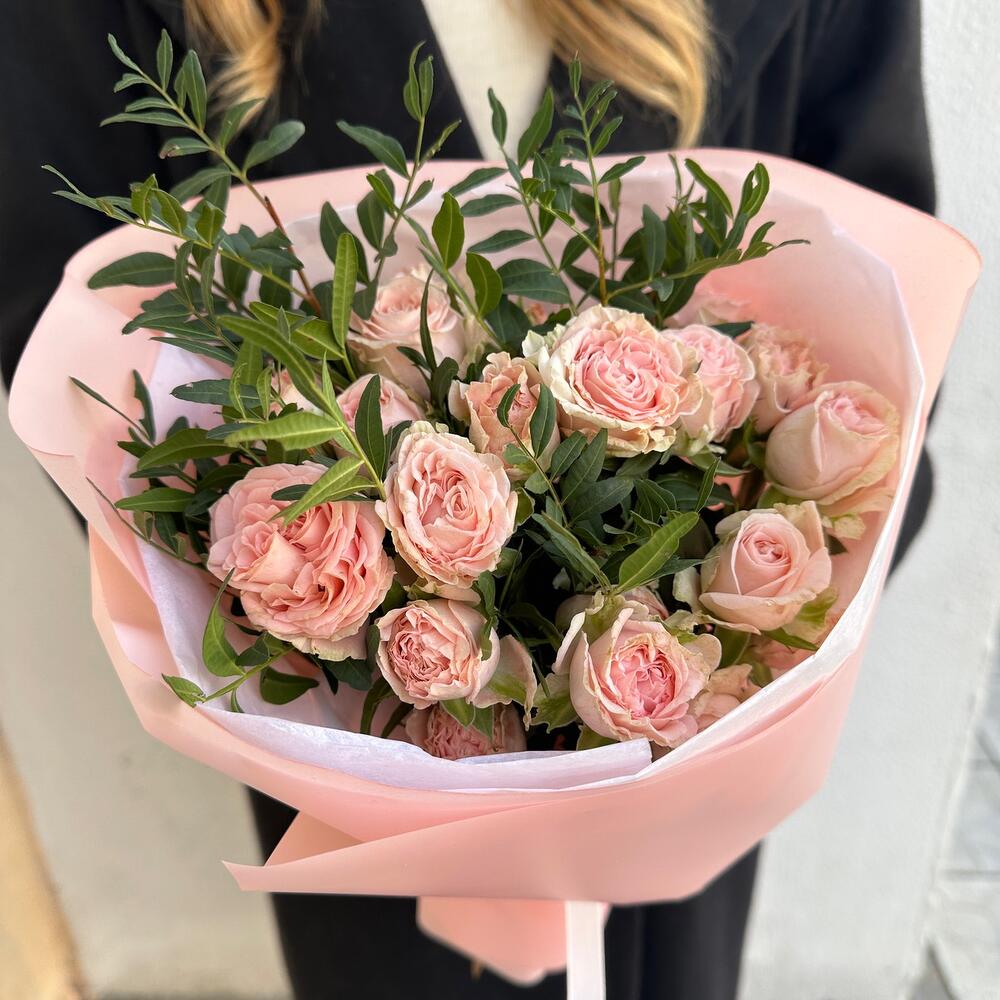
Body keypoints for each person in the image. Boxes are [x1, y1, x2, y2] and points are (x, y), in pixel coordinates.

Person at [0, 2, 935, 998]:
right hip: (354, 745)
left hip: (690, 742)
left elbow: (882, 290)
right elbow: (76, 331)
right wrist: (291, 617)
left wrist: (754, 617)